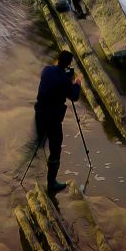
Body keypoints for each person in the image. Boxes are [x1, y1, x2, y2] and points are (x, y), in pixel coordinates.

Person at [34, 49, 82, 193]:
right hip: (53, 119)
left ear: (57, 60)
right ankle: (51, 183)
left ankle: (34, 163)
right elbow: (74, 96)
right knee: (55, 149)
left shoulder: (46, 70)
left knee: (40, 141)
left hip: (39, 113)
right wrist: (77, 83)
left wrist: (65, 77)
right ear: (68, 64)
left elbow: (54, 81)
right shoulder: (64, 80)